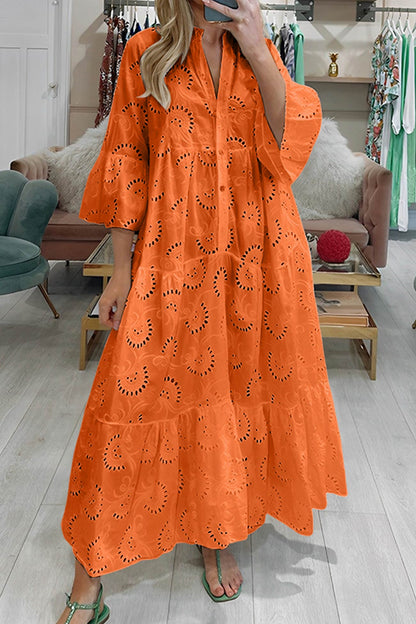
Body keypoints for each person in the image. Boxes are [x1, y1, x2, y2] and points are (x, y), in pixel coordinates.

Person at [57, 0, 348, 621]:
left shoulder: (258, 53)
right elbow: (127, 165)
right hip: (173, 259)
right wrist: (121, 272)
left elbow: (291, 147)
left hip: (257, 260)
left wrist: (259, 47)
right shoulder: (144, 54)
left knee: (233, 397)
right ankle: (89, 575)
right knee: (128, 401)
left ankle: (217, 534)